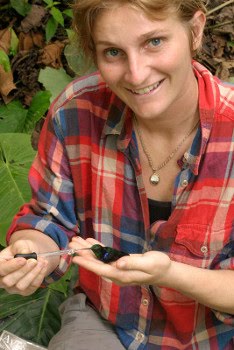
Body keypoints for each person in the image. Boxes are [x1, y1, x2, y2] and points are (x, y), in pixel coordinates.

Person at [0, 0, 233, 349]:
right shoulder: (76, 110)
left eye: (154, 41)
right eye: (113, 52)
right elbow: (49, 220)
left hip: (211, 334)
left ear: (195, 30)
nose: (136, 74)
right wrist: (29, 252)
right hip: (108, 319)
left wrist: (170, 274)